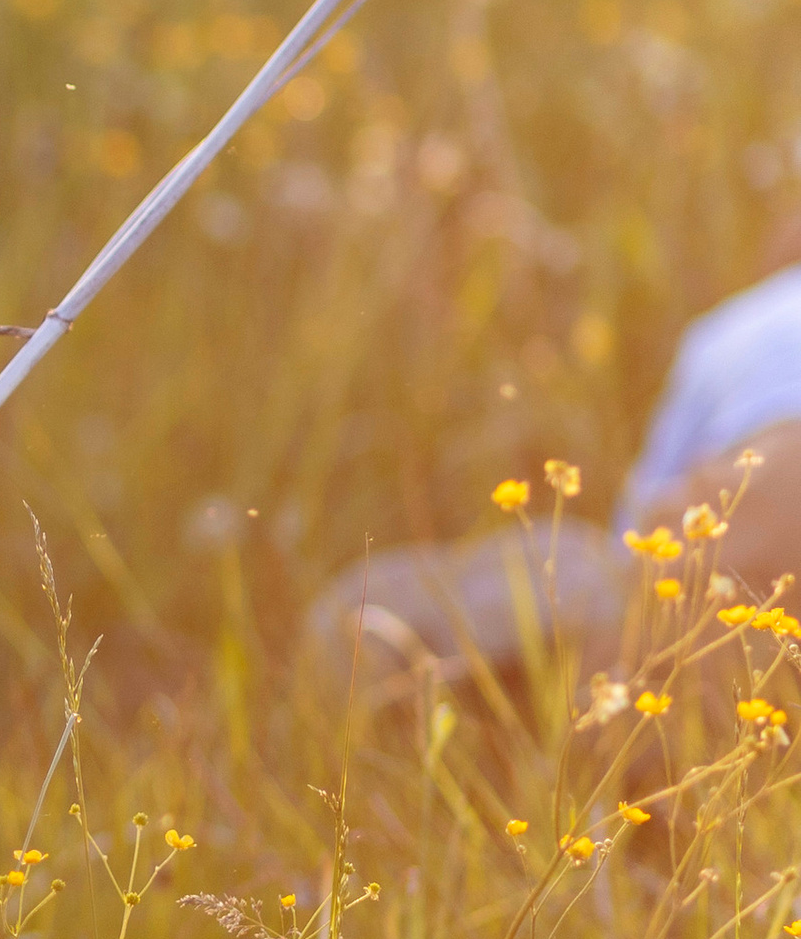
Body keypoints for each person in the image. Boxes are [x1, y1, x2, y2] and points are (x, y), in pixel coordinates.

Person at [305, 263, 801, 704]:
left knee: (359, 627)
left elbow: (660, 530)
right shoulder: (741, 328)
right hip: (712, 570)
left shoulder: (734, 326)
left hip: (706, 561)